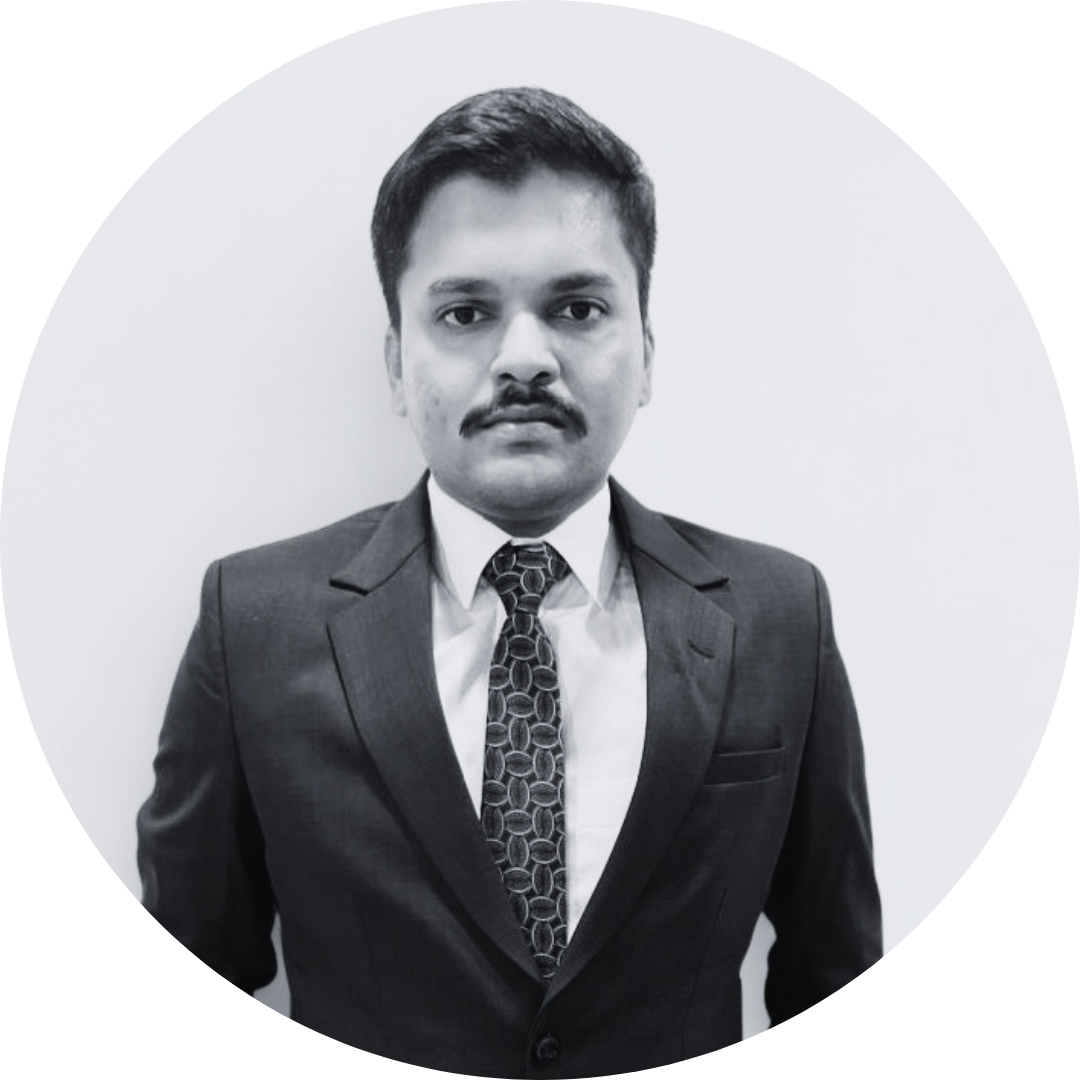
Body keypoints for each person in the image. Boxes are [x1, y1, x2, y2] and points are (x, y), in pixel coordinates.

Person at [137, 86, 881, 1075]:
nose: (524, 359)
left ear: (645, 352)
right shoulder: (254, 624)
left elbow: (833, 967)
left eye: (577, 308)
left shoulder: (780, 616)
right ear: (396, 362)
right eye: (465, 312)